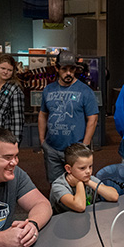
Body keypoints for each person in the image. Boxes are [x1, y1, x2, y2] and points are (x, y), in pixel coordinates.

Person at [38, 50, 99, 183]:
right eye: (64, 69)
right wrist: (42, 141)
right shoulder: (48, 90)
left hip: (75, 150)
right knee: (55, 185)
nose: (68, 73)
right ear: (57, 69)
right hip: (52, 148)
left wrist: (85, 145)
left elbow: (92, 119)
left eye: (72, 69)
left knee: (78, 185)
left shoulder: (85, 91)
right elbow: (43, 114)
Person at [50, 143, 119, 214]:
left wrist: (90, 182)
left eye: (90, 166)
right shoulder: (58, 185)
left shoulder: (89, 179)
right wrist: (79, 183)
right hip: (63, 222)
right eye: (82, 168)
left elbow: (114, 196)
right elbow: (80, 206)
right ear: (68, 169)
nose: (88, 171)